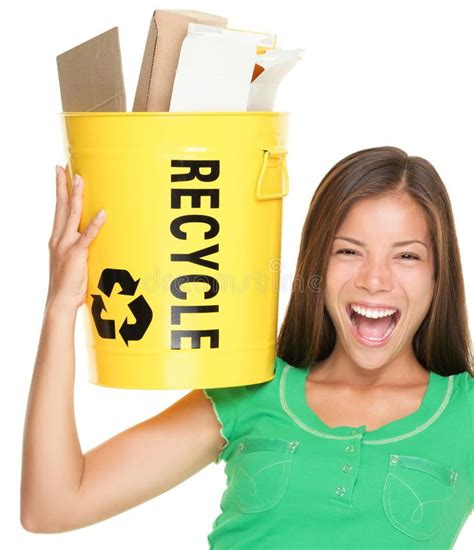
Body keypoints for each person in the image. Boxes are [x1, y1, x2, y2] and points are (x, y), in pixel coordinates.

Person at [20, 146, 473, 549]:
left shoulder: (463, 413)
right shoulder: (254, 388)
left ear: (439, 274)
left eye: (407, 255)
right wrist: (60, 307)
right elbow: (53, 506)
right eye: (348, 251)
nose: (375, 279)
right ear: (317, 262)